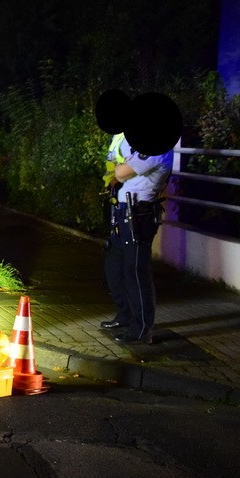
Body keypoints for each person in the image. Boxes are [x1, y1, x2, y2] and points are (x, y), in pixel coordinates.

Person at [101, 132, 173, 344]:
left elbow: (121, 172)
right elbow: (118, 170)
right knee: (114, 267)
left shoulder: (158, 147)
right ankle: (125, 316)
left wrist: (123, 170)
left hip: (139, 215)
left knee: (136, 272)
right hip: (124, 211)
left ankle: (141, 329)